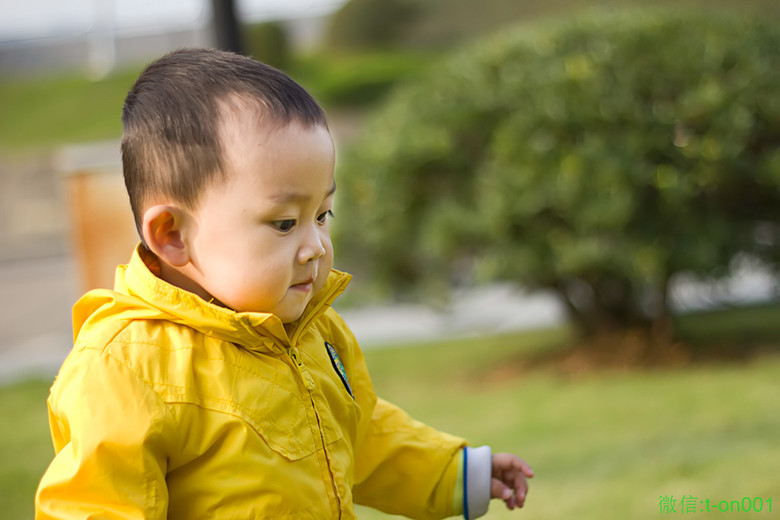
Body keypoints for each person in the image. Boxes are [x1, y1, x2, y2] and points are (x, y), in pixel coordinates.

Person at [35, 48, 533, 519]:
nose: (315, 245)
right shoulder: (126, 368)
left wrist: (456, 470)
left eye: (322, 214)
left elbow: (362, 436)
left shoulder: (316, 332)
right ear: (172, 236)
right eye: (284, 223)